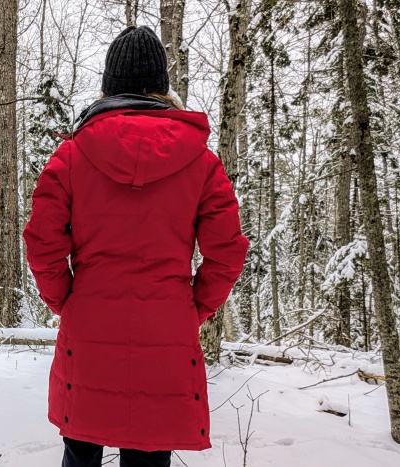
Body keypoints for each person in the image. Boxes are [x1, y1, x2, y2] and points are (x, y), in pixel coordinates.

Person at [23, 25, 249, 467]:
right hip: (166, 329)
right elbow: (227, 251)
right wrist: (191, 309)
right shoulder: (201, 162)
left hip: (88, 327)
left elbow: (42, 244)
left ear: (109, 86)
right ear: (162, 88)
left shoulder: (71, 156)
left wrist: (67, 301)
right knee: (149, 454)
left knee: (81, 450)